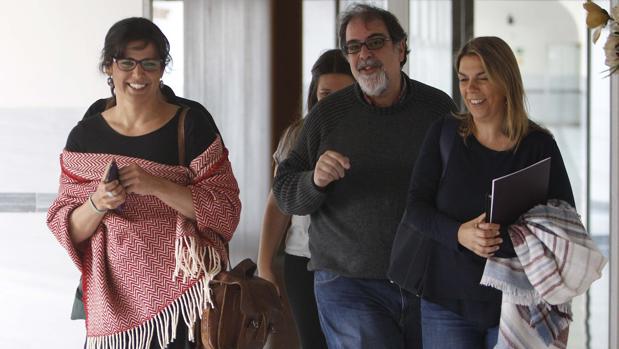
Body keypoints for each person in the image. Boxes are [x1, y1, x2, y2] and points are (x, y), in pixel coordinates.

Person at [46, 17, 241, 349]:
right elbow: (67, 227)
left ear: (162, 69)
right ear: (109, 67)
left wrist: (158, 185)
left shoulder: (191, 125)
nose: (138, 74)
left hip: (186, 302)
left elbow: (226, 209)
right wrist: (97, 203)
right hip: (113, 306)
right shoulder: (85, 136)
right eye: (127, 63)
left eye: (149, 63)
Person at [272, 4, 455, 348]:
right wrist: (315, 181)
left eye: (375, 42)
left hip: (425, 279)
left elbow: (463, 181)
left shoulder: (438, 110)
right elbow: (283, 190)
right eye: (354, 47)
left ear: (400, 49)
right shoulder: (327, 116)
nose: (365, 55)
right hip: (348, 282)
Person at [389, 36, 575, 349]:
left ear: (505, 81)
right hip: (446, 302)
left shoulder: (538, 145)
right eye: (463, 79)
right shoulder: (444, 134)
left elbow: (565, 220)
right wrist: (459, 233)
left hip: (517, 304)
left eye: (482, 78)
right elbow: (415, 208)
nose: (470, 89)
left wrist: (516, 235)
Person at [257, 49, 354, 349]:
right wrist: (265, 265)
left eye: (345, 93)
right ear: (314, 95)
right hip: (304, 260)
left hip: (356, 263)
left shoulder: (370, 135)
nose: (334, 102)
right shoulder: (297, 136)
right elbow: (277, 203)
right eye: (326, 93)